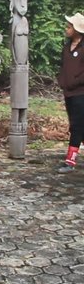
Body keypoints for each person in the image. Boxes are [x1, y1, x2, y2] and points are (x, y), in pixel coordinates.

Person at [57, 12, 84, 173]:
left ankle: (70, 161)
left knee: (76, 126)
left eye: (69, 26)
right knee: (78, 125)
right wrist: (62, 80)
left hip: (81, 92)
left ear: (77, 29)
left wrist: (75, 81)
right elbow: (63, 67)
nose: (66, 29)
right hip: (69, 93)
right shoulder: (67, 47)